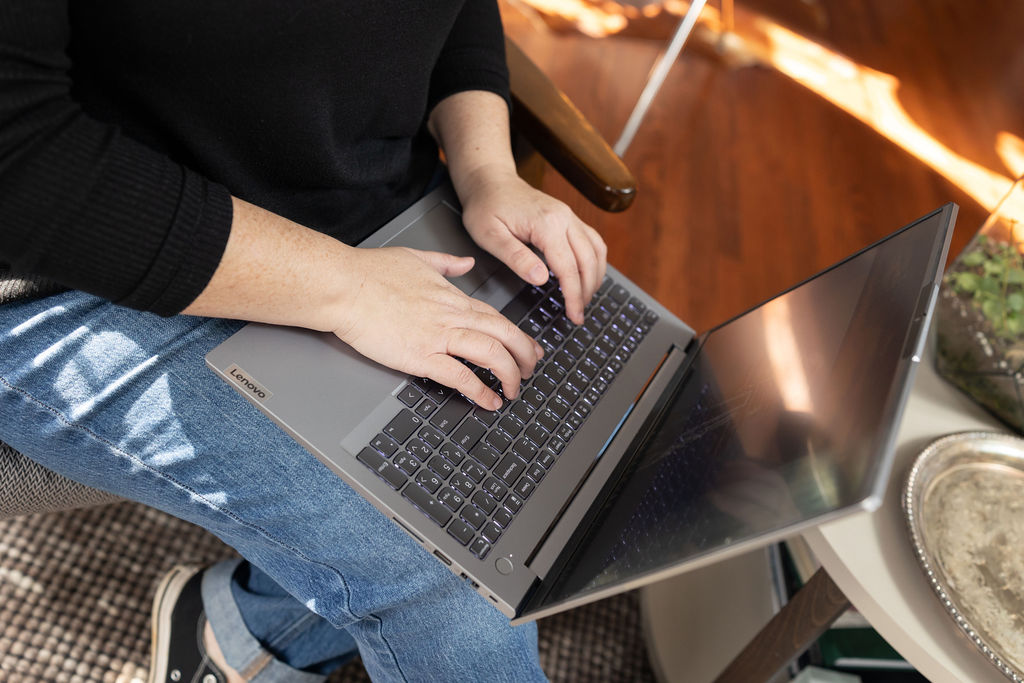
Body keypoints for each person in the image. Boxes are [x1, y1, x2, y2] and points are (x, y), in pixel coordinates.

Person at [0, 2, 607, 681]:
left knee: (584, 439)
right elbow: (17, 161)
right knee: (452, 570)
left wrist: (490, 170)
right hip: (83, 272)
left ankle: (242, 630)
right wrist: (348, 288)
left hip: (371, 211)